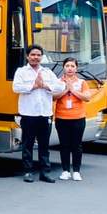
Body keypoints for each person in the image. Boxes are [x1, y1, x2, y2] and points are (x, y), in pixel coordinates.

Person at [12, 45, 64, 183]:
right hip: (28, 114)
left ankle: (45, 172)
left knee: (44, 145)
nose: (36, 57)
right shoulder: (21, 72)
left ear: (42, 57)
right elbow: (16, 87)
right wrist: (34, 86)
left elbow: (61, 86)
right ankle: (28, 172)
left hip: (45, 113)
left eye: (38, 55)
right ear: (27, 56)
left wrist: (46, 86)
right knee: (27, 145)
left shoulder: (47, 72)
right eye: (33, 55)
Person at [54, 57, 95, 180]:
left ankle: (76, 171)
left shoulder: (82, 82)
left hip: (78, 118)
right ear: (63, 68)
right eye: (67, 66)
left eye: (72, 66)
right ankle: (65, 170)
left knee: (76, 145)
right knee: (64, 145)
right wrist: (66, 89)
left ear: (76, 68)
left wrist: (73, 90)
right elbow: (53, 97)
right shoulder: (58, 82)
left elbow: (87, 97)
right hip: (61, 117)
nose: (70, 68)